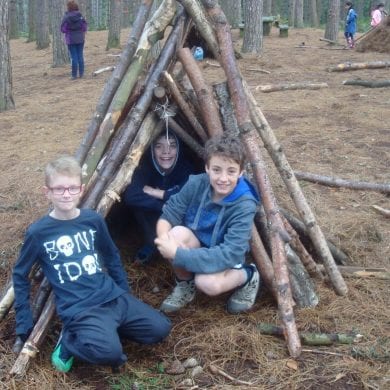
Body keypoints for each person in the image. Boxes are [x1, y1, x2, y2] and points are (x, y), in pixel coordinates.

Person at [12, 155, 171, 373]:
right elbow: (20, 274)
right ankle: (68, 342)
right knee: (111, 354)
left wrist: (124, 292)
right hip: (80, 308)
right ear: (47, 192)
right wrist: (23, 320)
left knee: (160, 329)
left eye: (72, 188)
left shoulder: (92, 220)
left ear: (81, 189)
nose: (66, 194)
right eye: (59, 189)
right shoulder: (39, 232)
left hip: (112, 297)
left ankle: (108, 331)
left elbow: (111, 255)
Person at [154, 132, 261, 315]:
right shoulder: (196, 183)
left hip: (225, 255)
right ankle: (185, 284)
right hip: (199, 243)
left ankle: (248, 276)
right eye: (217, 169)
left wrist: (178, 254)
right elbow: (170, 213)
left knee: (207, 283)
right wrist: (165, 240)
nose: (223, 178)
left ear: (241, 172)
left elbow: (230, 253)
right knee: (175, 234)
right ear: (207, 168)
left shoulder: (244, 204)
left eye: (231, 171)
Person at [123, 130, 195, 265]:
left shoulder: (186, 168)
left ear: (179, 149)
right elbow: (131, 195)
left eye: (172, 146)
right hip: (154, 215)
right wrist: (162, 205)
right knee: (140, 207)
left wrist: (159, 193)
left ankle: (178, 245)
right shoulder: (144, 167)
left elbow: (189, 194)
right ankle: (151, 242)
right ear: (151, 149)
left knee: (187, 208)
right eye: (158, 146)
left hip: (179, 216)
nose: (166, 151)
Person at [61, 1, 87, 80]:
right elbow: (84, 27)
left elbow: (63, 29)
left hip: (71, 39)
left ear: (68, 7)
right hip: (80, 38)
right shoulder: (80, 16)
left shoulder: (66, 17)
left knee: (74, 57)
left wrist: (69, 30)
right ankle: (81, 74)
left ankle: (74, 75)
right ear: (76, 7)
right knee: (80, 55)